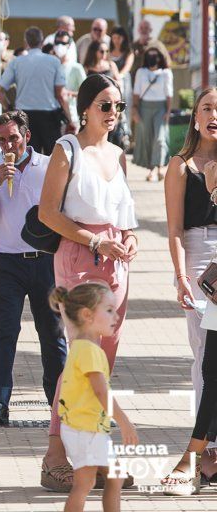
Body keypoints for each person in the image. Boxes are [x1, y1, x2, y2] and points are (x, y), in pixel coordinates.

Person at [37, 74, 138, 492]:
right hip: (79, 257)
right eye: (104, 105)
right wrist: (96, 239)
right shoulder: (67, 148)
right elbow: (48, 213)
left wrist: (128, 239)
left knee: (104, 363)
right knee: (81, 359)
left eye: (117, 106)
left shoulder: (118, 154)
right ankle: (55, 452)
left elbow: (127, 216)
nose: (112, 113)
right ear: (85, 107)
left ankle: (93, 456)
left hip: (116, 266)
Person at [0, 110, 67, 425]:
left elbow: (66, 213)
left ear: (26, 136)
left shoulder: (49, 167)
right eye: (2, 140)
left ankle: (60, 402)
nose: (9, 145)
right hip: (7, 262)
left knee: (52, 333)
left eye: (14, 137)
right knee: (5, 331)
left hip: (45, 261)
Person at [161, 88, 217, 492]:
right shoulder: (180, 166)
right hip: (199, 261)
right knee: (204, 357)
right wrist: (181, 276)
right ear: (195, 116)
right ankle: (207, 452)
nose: (214, 114)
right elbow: (175, 229)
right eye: (208, 107)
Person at [48, 284, 139, 511]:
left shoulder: (82, 346)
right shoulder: (89, 351)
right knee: (87, 483)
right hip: (85, 430)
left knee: (105, 478)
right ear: (87, 315)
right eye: (108, 310)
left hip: (84, 428)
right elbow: (101, 391)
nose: (116, 316)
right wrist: (124, 422)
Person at [0, 26, 74, 155]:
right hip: (49, 116)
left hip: (24, 116)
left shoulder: (17, 62)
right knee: (52, 159)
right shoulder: (54, 61)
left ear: (26, 42)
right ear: (42, 42)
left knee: (28, 160)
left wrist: (9, 108)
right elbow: (61, 94)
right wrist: (70, 119)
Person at [132, 46, 173, 181]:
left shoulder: (166, 73)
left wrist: (168, 111)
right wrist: (135, 110)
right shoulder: (141, 72)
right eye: (150, 56)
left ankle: (160, 166)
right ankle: (151, 169)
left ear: (160, 58)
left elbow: (169, 94)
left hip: (160, 107)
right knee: (147, 138)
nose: (153, 59)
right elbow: (136, 92)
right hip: (144, 107)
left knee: (160, 138)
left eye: (155, 56)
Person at [53, 30, 87, 127]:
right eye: (57, 43)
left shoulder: (76, 68)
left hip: (71, 116)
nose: (60, 46)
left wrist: (69, 93)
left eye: (63, 43)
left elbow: (85, 93)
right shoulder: (50, 66)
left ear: (69, 45)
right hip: (51, 115)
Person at [110, 26, 135, 151]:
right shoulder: (108, 52)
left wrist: (119, 76)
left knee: (125, 107)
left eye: (118, 38)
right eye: (114, 37)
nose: (116, 40)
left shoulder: (128, 52)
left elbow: (127, 67)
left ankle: (125, 134)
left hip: (124, 82)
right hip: (111, 82)